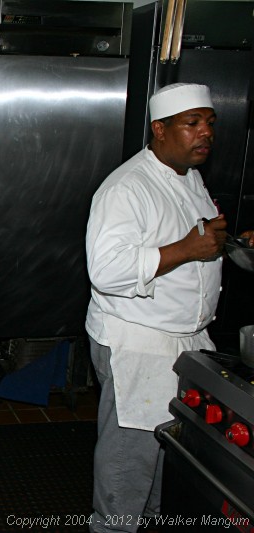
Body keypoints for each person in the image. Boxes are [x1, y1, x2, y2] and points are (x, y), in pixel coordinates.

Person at [85, 83, 232, 532]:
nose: (204, 133)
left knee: (166, 462)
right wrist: (188, 249)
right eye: (192, 124)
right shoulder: (127, 187)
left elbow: (190, 240)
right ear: (160, 129)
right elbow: (106, 270)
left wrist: (233, 243)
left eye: (209, 123)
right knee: (127, 470)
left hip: (181, 344)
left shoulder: (189, 178)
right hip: (139, 346)